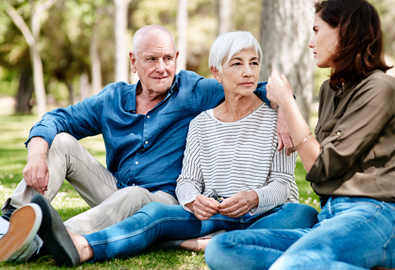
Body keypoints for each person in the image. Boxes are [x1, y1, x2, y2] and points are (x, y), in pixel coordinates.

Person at [0, 31, 319, 267]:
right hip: (116, 192)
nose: (161, 67)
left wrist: (283, 108)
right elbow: (58, 118)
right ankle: (11, 221)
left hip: (160, 198)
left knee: (137, 196)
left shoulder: (193, 91)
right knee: (62, 142)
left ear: (177, 59)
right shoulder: (112, 99)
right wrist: (37, 153)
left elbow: (247, 84)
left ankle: (47, 240)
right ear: (133, 62)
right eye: (152, 59)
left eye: (168, 59)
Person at [205, 1, 395, 269]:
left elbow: (319, 168)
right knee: (222, 248)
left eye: (317, 30)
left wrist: (287, 105)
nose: (311, 42)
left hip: (374, 215)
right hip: (330, 217)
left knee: (290, 265)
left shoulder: (380, 87)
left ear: (343, 31)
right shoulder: (330, 90)